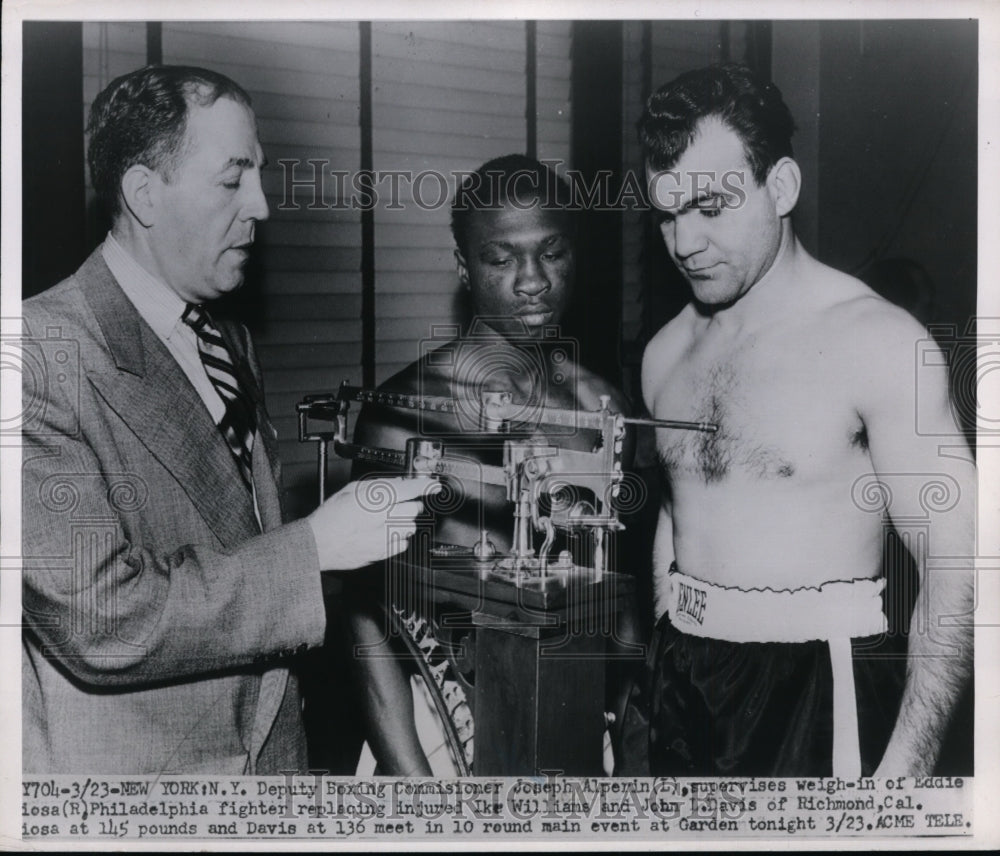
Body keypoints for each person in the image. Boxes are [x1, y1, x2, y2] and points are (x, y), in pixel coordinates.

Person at [20, 65, 433, 775]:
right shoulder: (35, 358)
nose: (264, 207)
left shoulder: (225, 339)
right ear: (144, 193)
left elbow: (236, 543)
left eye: (261, 175)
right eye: (232, 179)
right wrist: (315, 548)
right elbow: (99, 617)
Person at [621, 64, 975, 777]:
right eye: (667, 214)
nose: (684, 243)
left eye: (711, 209)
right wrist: (667, 649)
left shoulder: (878, 340)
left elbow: (960, 559)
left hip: (816, 688)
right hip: (684, 680)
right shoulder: (664, 354)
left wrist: (908, 762)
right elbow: (678, 510)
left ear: (780, 187)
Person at [346, 155, 636, 775]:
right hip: (432, 733)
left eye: (552, 254)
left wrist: (622, 737)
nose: (532, 281)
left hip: (572, 722)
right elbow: (366, 623)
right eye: (501, 259)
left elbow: (617, 595)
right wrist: (421, 795)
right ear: (464, 267)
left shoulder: (601, 408)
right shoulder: (402, 416)